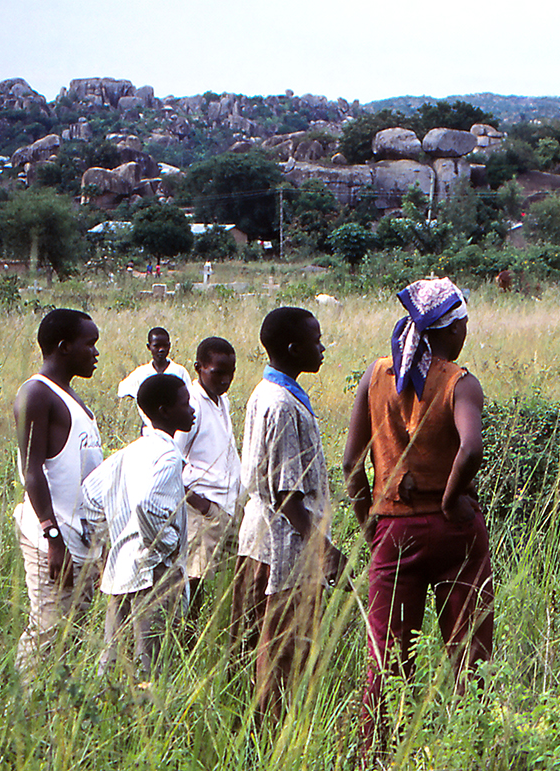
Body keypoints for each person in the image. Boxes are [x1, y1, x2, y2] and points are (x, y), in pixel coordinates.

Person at [343, 277, 494, 757]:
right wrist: (450, 500)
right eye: (463, 325)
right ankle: (473, 749)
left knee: (387, 657)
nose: (465, 333)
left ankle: (376, 755)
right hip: (454, 532)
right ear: (450, 330)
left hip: (394, 530)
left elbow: (350, 463)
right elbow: (471, 448)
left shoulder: (377, 375)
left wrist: (370, 523)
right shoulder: (459, 382)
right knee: (470, 654)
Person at [232, 307, 344, 719]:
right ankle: (271, 735)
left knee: (263, 644)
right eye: (316, 341)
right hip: (284, 546)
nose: (322, 348)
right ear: (294, 348)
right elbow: (287, 497)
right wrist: (326, 552)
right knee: (282, 650)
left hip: (263, 538)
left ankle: (259, 729)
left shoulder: (271, 393)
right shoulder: (280, 405)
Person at [82, 373, 195, 679]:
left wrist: (107, 541)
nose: (191, 409)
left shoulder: (128, 452)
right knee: (152, 664)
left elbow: (89, 495)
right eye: (185, 403)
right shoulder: (169, 457)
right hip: (154, 573)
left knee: (113, 658)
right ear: (164, 411)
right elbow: (148, 505)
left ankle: (103, 704)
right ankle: (146, 710)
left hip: (120, 570)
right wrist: (164, 547)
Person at [12, 309, 105, 673]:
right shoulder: (37, 394)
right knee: (48, 633)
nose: (95, 353)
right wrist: (53, 538)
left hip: (80, 541)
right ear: (64, 347)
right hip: (54, 541)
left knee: (72, 634)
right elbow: (31, 470)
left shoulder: (71, 397)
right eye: (90, 344)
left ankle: (55, 702)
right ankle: (25, 701)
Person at [174, 337, 242, 624]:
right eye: (218, 373)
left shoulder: (221, 399)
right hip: (204, 507)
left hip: (228, 504)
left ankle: (214, 630)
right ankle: (187, 638)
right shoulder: (191, 403)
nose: (225, 380)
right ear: (198, 368)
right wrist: (200, 504)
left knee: (225, 576)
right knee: (196, 578)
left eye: (231, 373)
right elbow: (172, 459)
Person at [117, 327, 191, 433]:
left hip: (175, 429)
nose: (161, 349)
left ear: (169, 346)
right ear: (149, 347)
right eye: (156, 346)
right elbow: (122, 389)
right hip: (149, 429)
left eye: (165, 346)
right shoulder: (142, 372)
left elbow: (189, 396)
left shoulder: (179, 371)